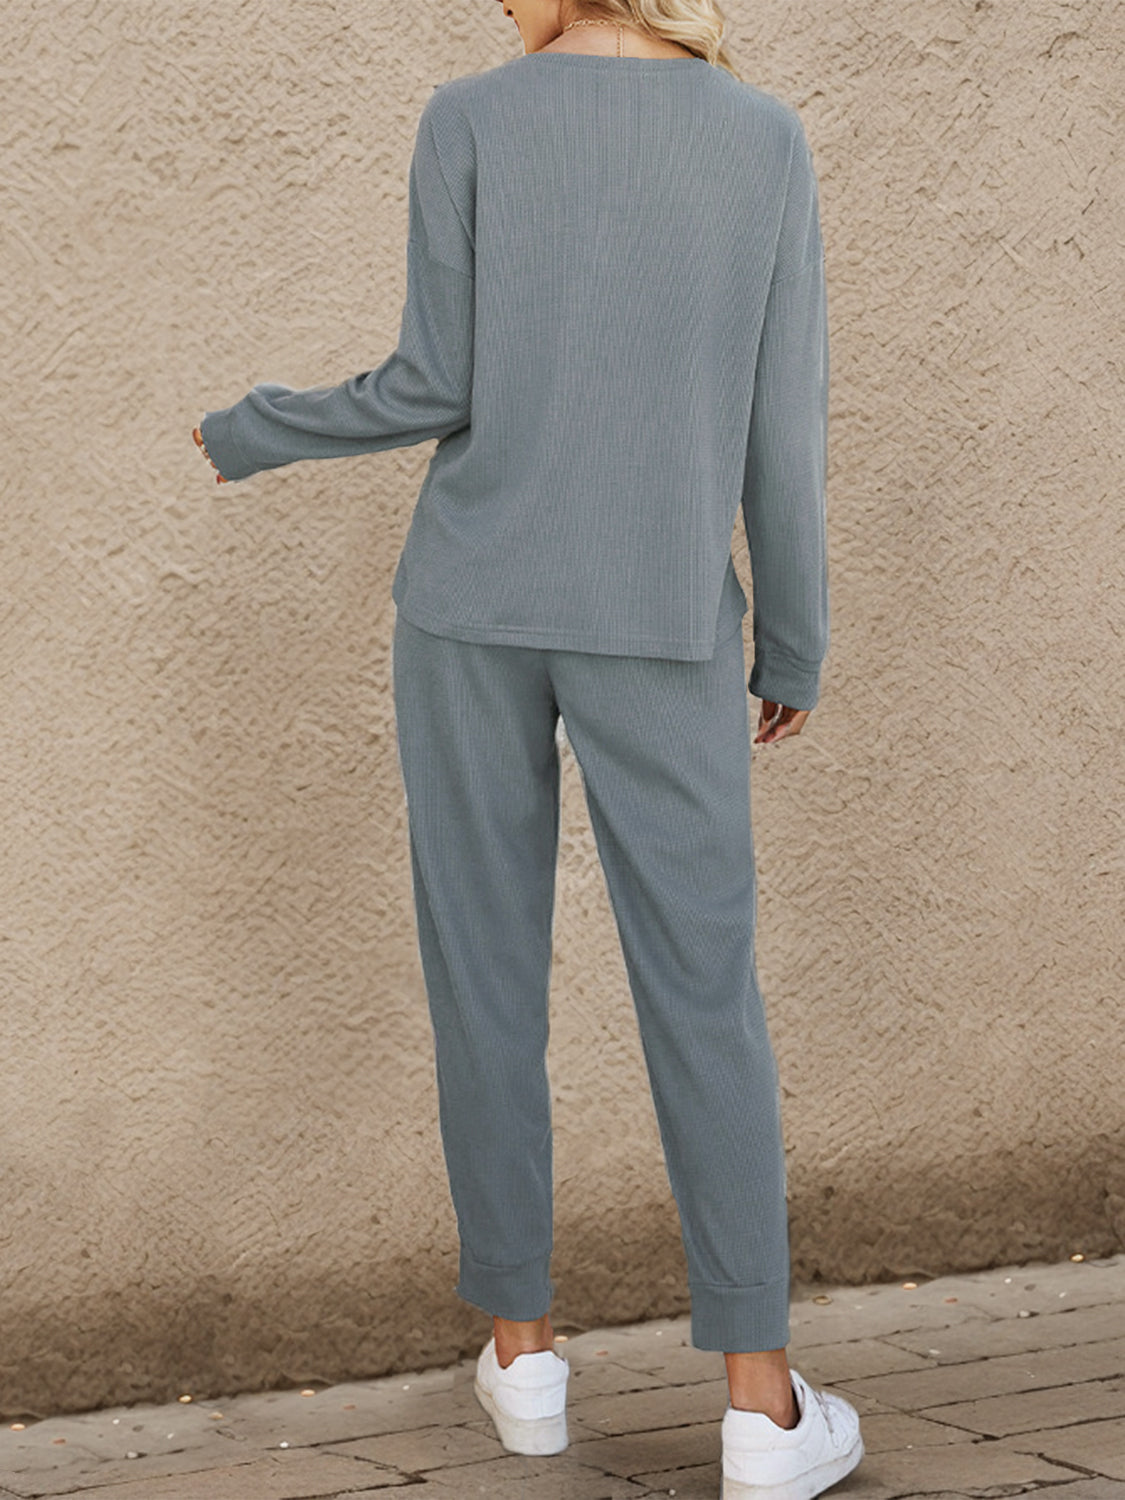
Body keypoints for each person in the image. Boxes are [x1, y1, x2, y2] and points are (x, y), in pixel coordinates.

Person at [194, 2, 863, 1493]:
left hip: (468, 614)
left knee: (485, 981)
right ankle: (760, 1412)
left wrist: (255, 428)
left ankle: (526, 1360)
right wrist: (794, 639)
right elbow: (784, 416)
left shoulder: (470, 118)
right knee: (704, 992)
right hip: (660, 620)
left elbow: (433, 383)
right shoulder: (763, 139)